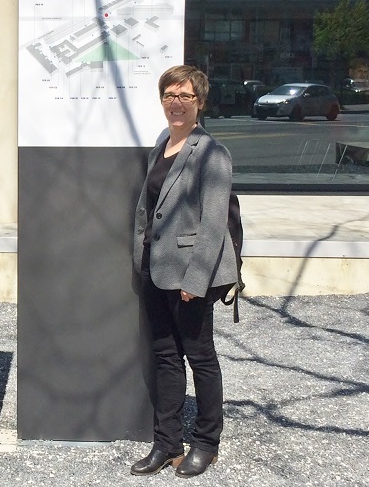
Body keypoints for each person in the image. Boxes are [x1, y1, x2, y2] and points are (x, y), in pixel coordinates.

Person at [131, 66, 237, 478]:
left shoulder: (212, 153)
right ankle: (167, 441)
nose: (176, 103)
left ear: (200, 103)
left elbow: (214, 223)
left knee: (201, 357)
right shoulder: (162, 144)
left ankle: (207, 442)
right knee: (165, 358)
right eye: (170, 95)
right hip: (155, 271)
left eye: (185, 96)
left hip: (190, 277)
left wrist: (196, 281)